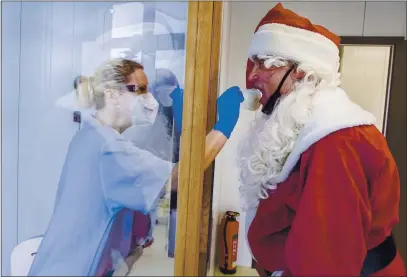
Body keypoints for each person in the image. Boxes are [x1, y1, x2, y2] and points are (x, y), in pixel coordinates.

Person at [28, 58, 243, 276]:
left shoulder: (89, 135)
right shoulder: (109, 149)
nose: (148, 99)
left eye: (148, 90)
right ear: (111, 95)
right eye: (139, 90)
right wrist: (224, 124)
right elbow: (181, 177)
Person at [236, 3, 406, 277]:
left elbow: (326, 264)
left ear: (300, 71)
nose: (251, 77)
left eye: (264, 64)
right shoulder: (305, 127)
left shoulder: (336, 144)